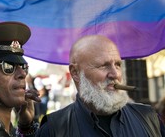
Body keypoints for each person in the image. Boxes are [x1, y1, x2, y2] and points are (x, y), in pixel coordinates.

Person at [36, 35, 165, 137]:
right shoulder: (54, 129)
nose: (115, 74)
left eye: (118, 65)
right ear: (75, 73)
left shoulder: (148, 118)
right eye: (103, 65)